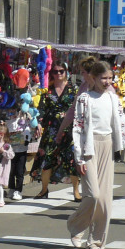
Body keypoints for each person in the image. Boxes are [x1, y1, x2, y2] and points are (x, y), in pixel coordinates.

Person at [67, 61, 125, 249]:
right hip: (89, 147)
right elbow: (78, 128)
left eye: (110, 78)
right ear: (94, 78)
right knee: (93, 195)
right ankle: (76, 227)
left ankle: (96, 240)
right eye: (103, 78)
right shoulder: (85, 98)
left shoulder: (114, 99)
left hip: (107, 145)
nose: (107, 82)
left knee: (105, 199)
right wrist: (80, 158)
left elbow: (122, 124)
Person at [32, 59, 80, 200]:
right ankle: (44, 190)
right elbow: (41, 109)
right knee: (47, 160)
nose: (58, 73)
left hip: (69, 131)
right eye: (55, 71)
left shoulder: (74, 89)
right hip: (51, 129)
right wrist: (39, 123)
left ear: (66, 72)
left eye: (61, 71)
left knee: (71, 160)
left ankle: (76, 191)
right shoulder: (48, 91)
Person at [5, 105, 32, 199]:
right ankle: (11, 188)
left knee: (19, 172)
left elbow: (28, 132)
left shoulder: (25, 121)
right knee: (11, 171)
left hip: (21, 150)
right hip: (11, 150)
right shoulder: (8, 122)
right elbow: (6, 133)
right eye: (12, 112)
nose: (15, 114)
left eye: (17, 111)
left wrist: (26, 139)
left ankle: (18, 190)